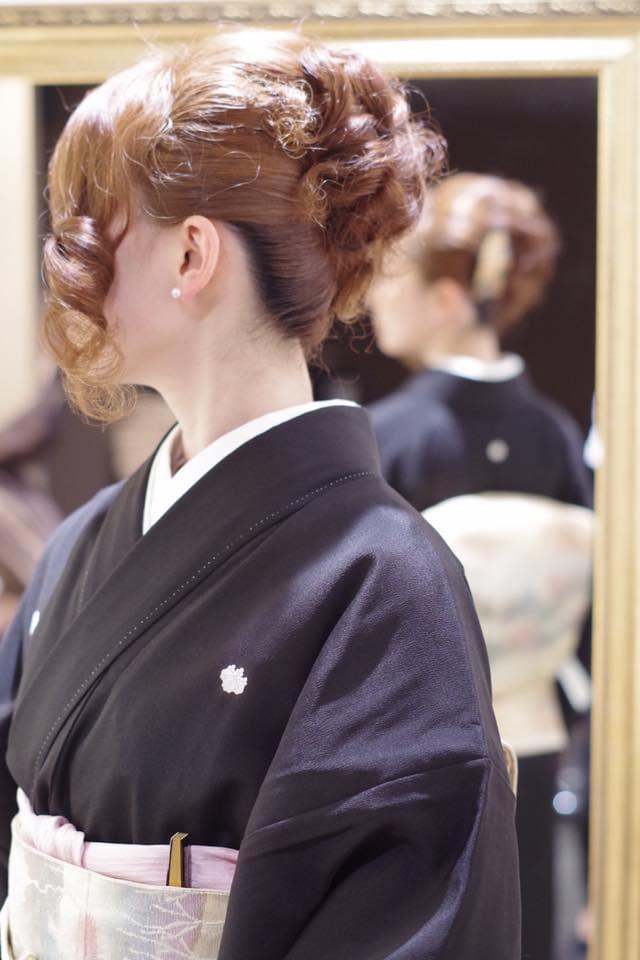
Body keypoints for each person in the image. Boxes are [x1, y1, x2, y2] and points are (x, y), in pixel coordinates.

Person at [0, 39, 520, 959]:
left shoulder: (386, 586)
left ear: (191, 252)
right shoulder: (81, 544)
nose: (69, 260)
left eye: (94, 221)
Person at [367, 172, 593, 960]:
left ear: (447, 298)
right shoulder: (555, 435)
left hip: (415, 749)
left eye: (390, 276)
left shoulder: (384, 437)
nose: (374, 296)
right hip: (533, 735)